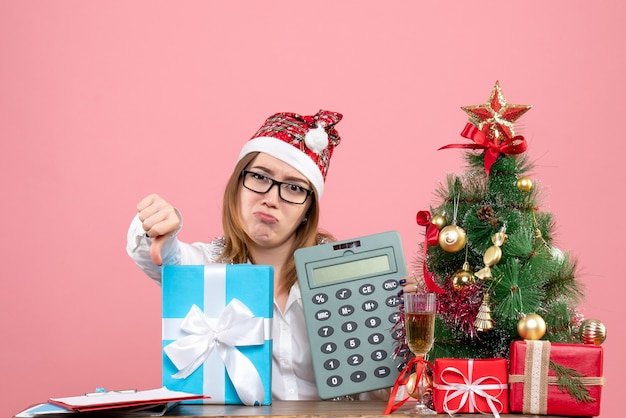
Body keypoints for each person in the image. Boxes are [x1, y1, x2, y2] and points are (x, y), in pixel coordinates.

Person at [126, 109, 419, 401]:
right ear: (237, 186)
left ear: (307, 209)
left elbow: (379, 389)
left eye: (293, 187)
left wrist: (400, 330)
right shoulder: (208, 267)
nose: (271, 198)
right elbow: (166, 257)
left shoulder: (343, 275)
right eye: (259, 177)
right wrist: (158, 226)